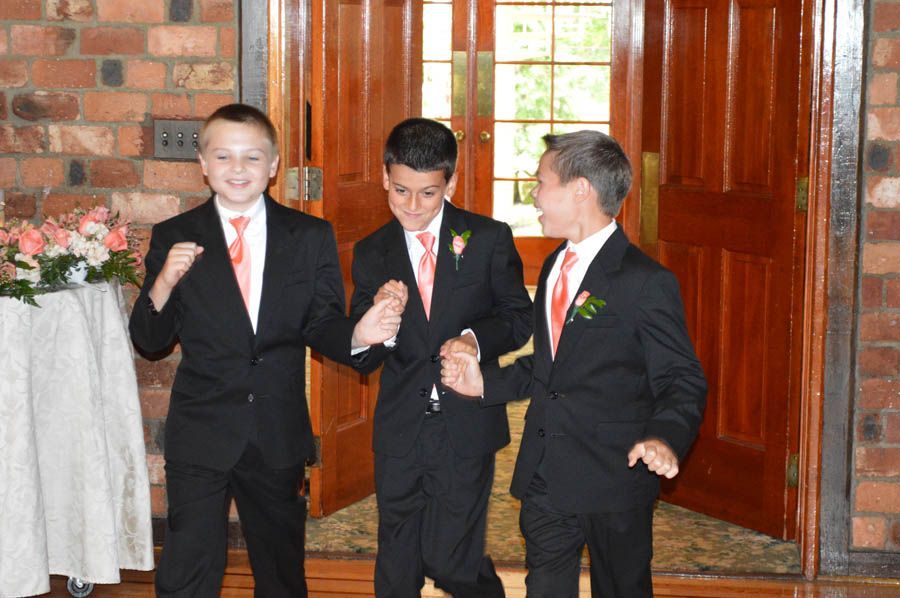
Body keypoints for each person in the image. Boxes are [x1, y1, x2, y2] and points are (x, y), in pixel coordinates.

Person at [129, 103, 404, 597]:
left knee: (280, 571)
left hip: (276, 431)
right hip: (201, 430)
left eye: (252, 158)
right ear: (204, 163)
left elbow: (321, 324)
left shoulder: (308, 236)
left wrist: (361, 334)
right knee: (188, 568)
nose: (239, 169)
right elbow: (150, 341)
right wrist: (165, 282)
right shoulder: (175, 236)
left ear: (274, 166)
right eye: (225, 157)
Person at [441, 130, 707, 597]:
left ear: (580, 189)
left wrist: (664, 437)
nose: (534, 194)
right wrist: (482, 382)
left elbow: (682, 378)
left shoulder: (645, 283)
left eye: (542, 182)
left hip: (615, 479)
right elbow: (549, 368)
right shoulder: (552, 268)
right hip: (547, 473)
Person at [349, 118, 532, 597]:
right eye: (402, 190)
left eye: (428, 193)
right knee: (397, 555)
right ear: (385, 176)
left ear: (450, 182)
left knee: (454, 558)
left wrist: (474, 338)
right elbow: (363, 356)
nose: (413, 206)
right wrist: (378, 322)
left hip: (465, 423)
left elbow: (517, 318)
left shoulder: (488, 238)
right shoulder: (371, 252)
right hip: (401, 425)